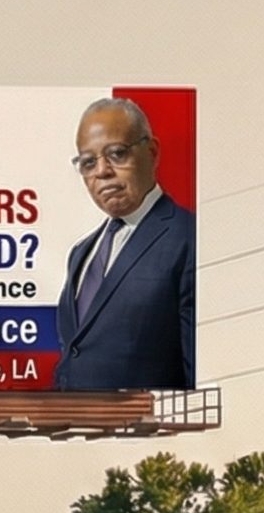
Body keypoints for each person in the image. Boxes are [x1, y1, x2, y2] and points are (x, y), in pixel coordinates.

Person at [51, 98, 195, 390]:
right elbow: (75, 355)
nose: (102, 171)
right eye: (88, 162)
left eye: (116, 154)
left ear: (152, 153)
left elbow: (198, 375)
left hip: (145, 432)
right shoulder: (81, 253)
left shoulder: (190, 238)